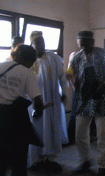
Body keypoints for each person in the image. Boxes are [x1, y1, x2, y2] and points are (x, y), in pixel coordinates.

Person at [70, 31, 105, 176]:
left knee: (102, 134)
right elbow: (70, 72)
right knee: (79, 134)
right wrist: (73, 81)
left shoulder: (103, 54)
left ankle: (102, 166)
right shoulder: (77, 57)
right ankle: (85, 160)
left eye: (85, 43)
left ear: (92, 41)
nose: (83, 47)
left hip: (101, 99)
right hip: (83, 100)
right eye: (80, 44)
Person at [27, 31, 68, 172]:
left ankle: (51, 159)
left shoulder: (53, 58)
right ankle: (35, 160)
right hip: (34, 103)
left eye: (42, 42)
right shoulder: (28, 60)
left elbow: (62, 76)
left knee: (52, 129)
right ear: (31, 45)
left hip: (52, 102)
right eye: (37, 42)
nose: (41, 45)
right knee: (36, 131)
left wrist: (64, 92)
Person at [0, 45, 44, 176]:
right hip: (16, 120)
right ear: (29, 61)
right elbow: (37, 100)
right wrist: (38, 112)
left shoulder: (1, 65)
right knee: (18, 158)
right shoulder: (27, 73)